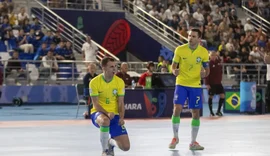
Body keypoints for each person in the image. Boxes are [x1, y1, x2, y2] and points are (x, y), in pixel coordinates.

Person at [169, 28, 210, 150]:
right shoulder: (180, 50)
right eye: (189, 36)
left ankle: (193, 142)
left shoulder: (203, 52)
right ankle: (175, 137)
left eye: (193, 36)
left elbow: (207, 69)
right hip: (181, 83)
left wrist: (205, 74)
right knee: (177, 108)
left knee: (195, 112)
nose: (190, 38)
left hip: (195, 85)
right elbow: (173, 66)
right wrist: (174, 71)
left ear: (199, 39)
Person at [89, 57, 130, 156]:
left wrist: (121, 117)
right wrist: (107, 113)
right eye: (111, 66)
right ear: (103, 68)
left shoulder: (119, 82)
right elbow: (96, 104)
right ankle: (105, 151)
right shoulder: (94, 82)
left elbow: (120, 103)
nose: (114, 69)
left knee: (126, 147)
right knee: (105, 121)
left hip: (114, 115)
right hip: (98, 113)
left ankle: (110, 143)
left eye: (115, 66)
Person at [205, 52, 225, 117]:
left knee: (222, 96)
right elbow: (207, 74)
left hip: (218, 83)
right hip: (212, 83)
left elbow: (221, 71)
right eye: (212, 55)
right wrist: (207, 84)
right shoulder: (208, 64)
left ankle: (218, 111)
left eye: (214, 55)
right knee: (211, 96)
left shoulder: (218, 62)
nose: (213, 56)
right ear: (210, 56)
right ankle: (211, 112)